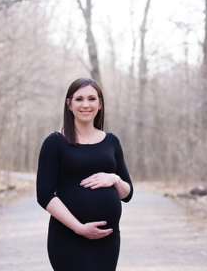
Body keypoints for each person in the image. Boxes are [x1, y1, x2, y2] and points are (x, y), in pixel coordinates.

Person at [36, 77, 134, 271]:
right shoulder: (55, 142)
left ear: (99, 104)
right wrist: (79, 228)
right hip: (68, 237)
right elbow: (45, 195)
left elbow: (127, 194)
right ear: (69, 104)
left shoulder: (111, 142)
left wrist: (115, 179)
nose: (86, 104)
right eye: (79, 99)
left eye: (91, 98)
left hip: (107, 240)